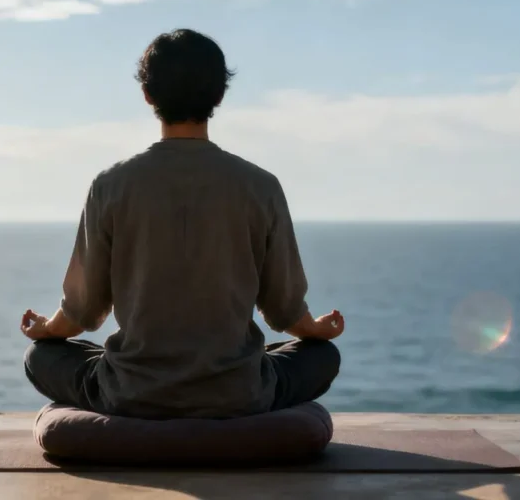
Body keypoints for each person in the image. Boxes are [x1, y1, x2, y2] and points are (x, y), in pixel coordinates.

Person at [21, 28, 344, 420]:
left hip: (131, 394)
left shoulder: (110, 185)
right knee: (322, 356)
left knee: (40, 356)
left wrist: (46, 328)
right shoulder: (261, 185)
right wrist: (316, 329)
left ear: (148, 95)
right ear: (219, 96)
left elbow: (81, 312)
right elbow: (287, 312)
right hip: (239, 394)